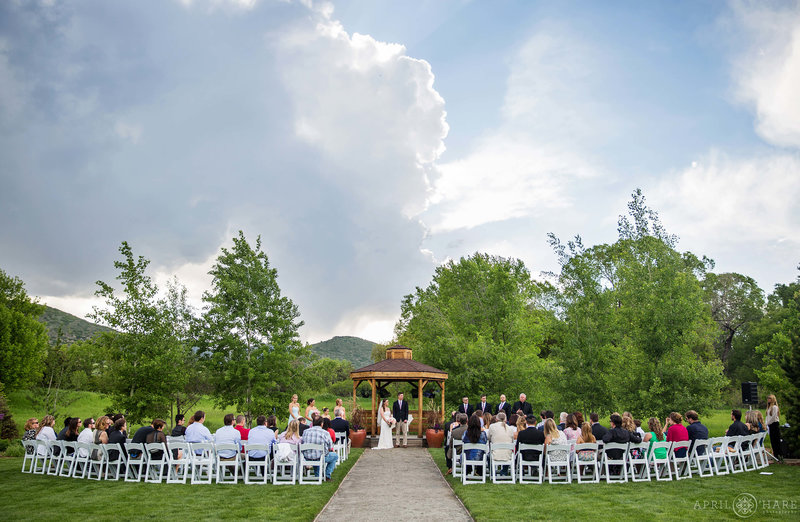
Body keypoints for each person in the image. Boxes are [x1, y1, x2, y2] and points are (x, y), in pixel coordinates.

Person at [301, 416, 338, 481]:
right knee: (335, 456)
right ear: (321, 423)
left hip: (307, 457)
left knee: (317, 454)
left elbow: (302, 443)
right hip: (320, 456)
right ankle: (327, 475)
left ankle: (318, 475)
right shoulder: (325, 433)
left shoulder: (305, 432)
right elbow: (330, 446)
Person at [766, 395, 783, 461]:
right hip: (770, 424)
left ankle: (779, 455)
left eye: (769, 398)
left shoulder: (775, 407)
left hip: (774, 424)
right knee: (772, 440)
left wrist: (768, 423)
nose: (768, 399)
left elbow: (773, 417)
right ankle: (775, 455)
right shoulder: (769, 407)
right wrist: (766, 423)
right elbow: (768, 417)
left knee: (776, 440)